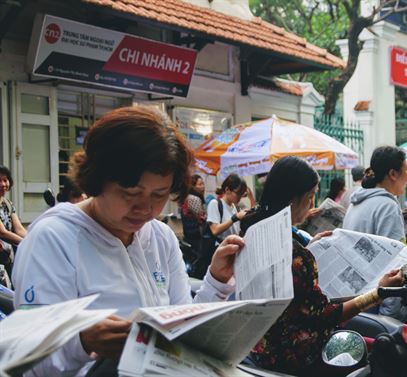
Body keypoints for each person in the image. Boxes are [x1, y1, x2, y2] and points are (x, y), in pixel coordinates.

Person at [11, 106, 243, 377]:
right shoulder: (53, 240)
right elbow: (28, 359)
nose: (144, 209)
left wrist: (215, 281)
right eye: (130, 193)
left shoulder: (159, 236)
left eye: (159, 195)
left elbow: (182, 323)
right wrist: (82, 342)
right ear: (97, 180)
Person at [243, 156, 403, 375]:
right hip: (294, 355)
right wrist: (378, 292)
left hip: (259, 345)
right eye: (310, 197)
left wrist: (308, 250)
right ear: (292, 200)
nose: (312, 205)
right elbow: (326, 316)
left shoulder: (252, 230)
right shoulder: (295, 255)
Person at [343, 146, 407, 242]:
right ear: (393, 174)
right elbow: (393, 253)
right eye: (406, 171)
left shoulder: (356, 201)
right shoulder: (388, 206)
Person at [0, 165, 27, 280]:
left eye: (5, 180)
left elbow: (19, 229)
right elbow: (2, 233)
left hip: (7, 257)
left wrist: (33, 239)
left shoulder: (8, 204)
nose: (2, 184)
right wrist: (27, 244)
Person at [180, 174, 207, 257]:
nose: (203, 186)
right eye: (200, 184)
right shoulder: (194, 199)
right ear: (192, 186)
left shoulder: (187, 197)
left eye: (203, 184)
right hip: (196, 237)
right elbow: (202, 217)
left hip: (189, 235)